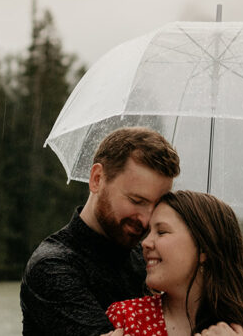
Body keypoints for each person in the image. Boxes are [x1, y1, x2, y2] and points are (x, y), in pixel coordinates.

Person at [20, 126, 181, 336]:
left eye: (156, 205)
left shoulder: (147, 257)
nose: (146, 219)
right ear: (97, 179)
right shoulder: (52, 266)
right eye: (136, 200)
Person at [106, 191, 243, 336]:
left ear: (204, 249)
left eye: (162, 232)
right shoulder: (126, 319)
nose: (145, 243)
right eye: (149, 232)